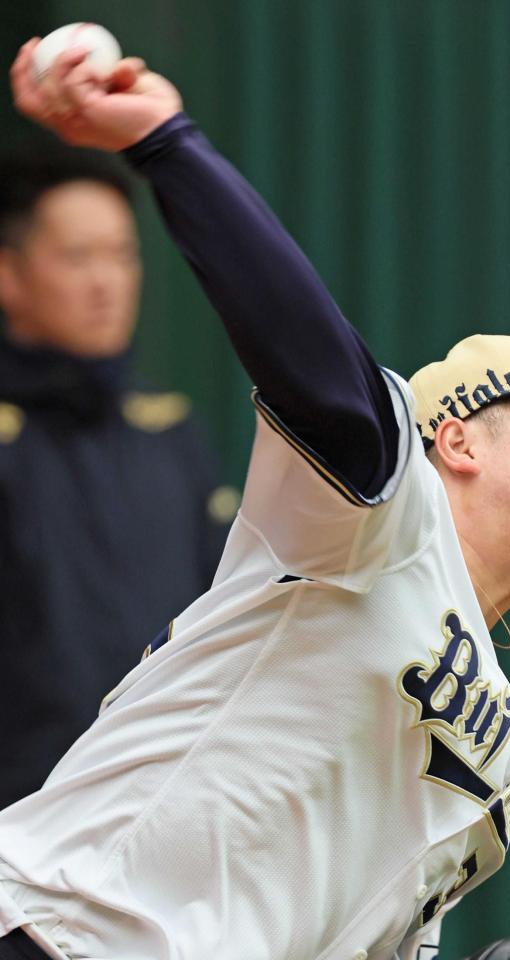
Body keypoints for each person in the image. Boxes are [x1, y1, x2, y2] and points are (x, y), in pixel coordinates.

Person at [0, 39, 510, 960]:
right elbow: (307, 347)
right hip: (57, 932)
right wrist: (166, 141)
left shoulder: (507, 746)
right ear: (458, 439)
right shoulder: (385, 516)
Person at [0, 135, 237, 809]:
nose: (106, 282)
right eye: (77, 257)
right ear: (9, 275)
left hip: (163, 830)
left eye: (123, 255)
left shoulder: (171, 439)